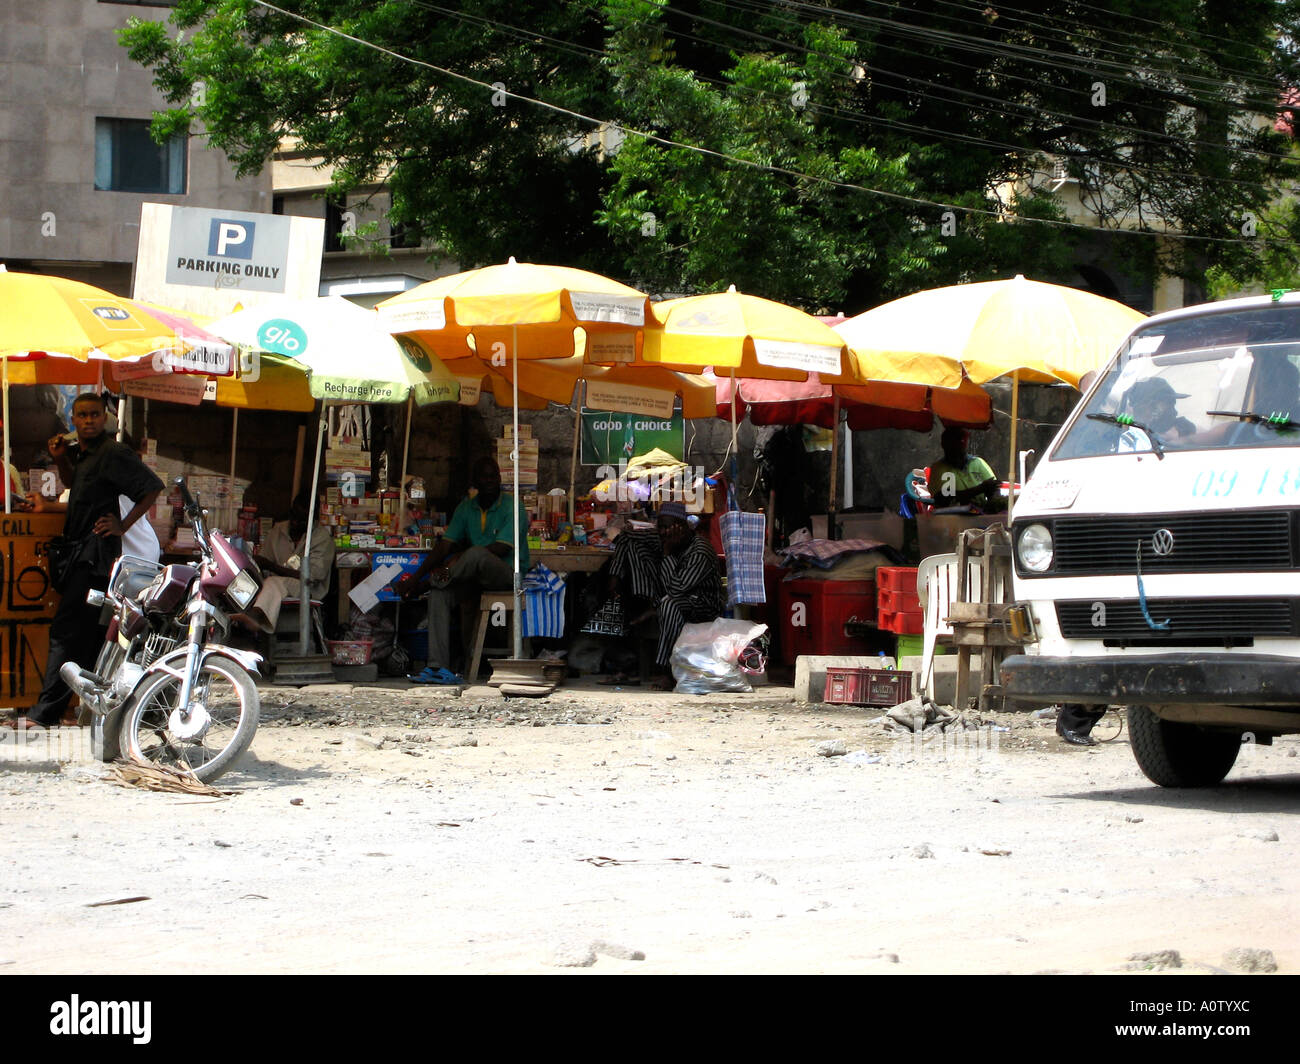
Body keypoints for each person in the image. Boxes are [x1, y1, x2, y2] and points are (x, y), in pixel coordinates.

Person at [13, 393, 162, 729]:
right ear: (73, 419)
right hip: (80, 554)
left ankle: (44, 714)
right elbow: (72, 485)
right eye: (82, 415)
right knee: (92, 638)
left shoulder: (114, 453)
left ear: (104, 418)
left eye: (95, 414)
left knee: (66, 632)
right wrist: (60, 458)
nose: (89, 420)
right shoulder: (82, 454)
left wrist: (122, 525)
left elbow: (153, 488)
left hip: (96, 558)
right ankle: (94, 712)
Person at [394, 456, 528, 684]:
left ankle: (426, 586)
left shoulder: (513, 506)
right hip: (471, 578)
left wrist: (426, 580)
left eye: (493, 476)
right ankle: (438, 667)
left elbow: (500, 548)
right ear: (475, 481)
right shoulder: (467, 508)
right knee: (439, 594)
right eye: (484, 476)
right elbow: (444, 545)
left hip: (505, 575)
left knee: (475, 554)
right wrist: (417, 576)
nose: (489, 481)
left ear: (500, 478)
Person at [603, 500, 724, 690]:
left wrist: (667, 553)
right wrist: (614, 576)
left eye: (670, 528)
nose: (665, 533)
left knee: (669, 604)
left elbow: (676, 590)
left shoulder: (699, 550)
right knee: (636, 547)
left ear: (683, 528)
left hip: (701, 605)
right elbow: (626, 537)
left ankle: (666, 669)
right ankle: (644, 600)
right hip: (667, 596)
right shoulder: (661, 536)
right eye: (662, 528)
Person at [244, 492, 335, 634]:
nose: (296, 523)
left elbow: (311, 576)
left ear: (313, 519)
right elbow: (263, 560)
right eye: (294, 517)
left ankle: (258, 620)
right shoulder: (278, 530)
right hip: (274, 584)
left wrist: (272, 566)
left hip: (308, 588)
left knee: (275, 582)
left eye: (302, 520)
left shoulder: (322, 538)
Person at [927, 427, 1005, 511]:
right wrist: (980, 489)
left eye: (961, 440)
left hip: (980, 514)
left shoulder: (978, 463)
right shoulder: (938, 468)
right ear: (943, 445)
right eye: (953, 441)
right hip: (949, 518)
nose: (958, 444)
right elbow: (944, 499)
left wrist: (993, 503)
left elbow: (993, 488)